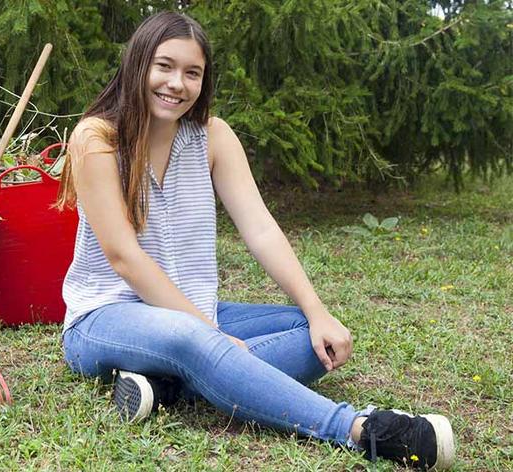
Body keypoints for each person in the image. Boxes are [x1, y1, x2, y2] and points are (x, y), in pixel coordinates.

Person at [55, 11, 455, 470]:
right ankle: (361, 429)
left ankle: (168, 387)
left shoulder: (213, 137)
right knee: (193, 338)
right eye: (164, 66)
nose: (176, 84)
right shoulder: (96, 137)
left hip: (193, 310)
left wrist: (316, 309)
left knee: (312, 339)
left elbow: (261, 228)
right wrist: (209, 336)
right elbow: (124, 257)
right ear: (138, 64)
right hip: (104, 317)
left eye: (192, 72)